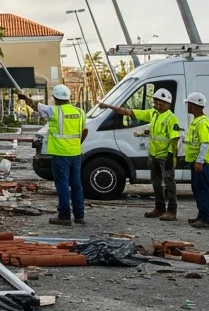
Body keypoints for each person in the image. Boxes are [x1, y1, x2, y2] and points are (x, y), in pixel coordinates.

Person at [101, 87, 181, 221]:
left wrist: (170, 156)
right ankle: (159, 208)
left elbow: (175, 138)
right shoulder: (153, 114)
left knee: (169, 184)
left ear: (168, 103)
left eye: (160, 102)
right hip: (154, 155)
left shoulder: (171, 118)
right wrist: (109, 106)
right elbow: (130, 112)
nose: (157, 105)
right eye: (155, 102)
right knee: (156, 183)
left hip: (164, 157)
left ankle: (172, 211)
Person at [17, 85, 86, 226]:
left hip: (60, 155)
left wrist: (24, 98)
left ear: (55, 98)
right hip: (76, 154)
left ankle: (64, 216)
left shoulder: (53, 111)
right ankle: (79, 216)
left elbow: (36, 106)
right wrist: (76, 145)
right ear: (68, 97)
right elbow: (85, 131)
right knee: (77, 185)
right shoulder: (80, 112)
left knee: (62, 185)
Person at [182, 92, 209, 229]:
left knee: (202, 189)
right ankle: (202, 216)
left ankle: (207, 219)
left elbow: (205, 143)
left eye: (189, 104)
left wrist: (200, 161)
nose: (187, 106)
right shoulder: (197, 121)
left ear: (195, 106)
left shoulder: (202, 123)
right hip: (198, 161)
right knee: (198, 189)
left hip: (202, 162)